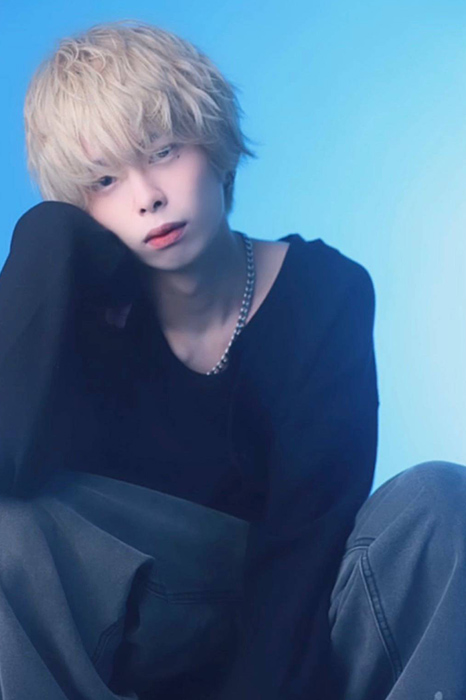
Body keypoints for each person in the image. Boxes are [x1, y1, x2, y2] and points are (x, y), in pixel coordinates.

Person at [0, 18, 465, 700]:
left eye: (163, 150)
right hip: (145, 639)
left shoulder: (324, 294)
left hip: (305, 628)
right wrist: (46, 238)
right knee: (8, 529)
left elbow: (310, 539)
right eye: (103, 180)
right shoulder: (86, 318)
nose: (147, 196)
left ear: (213, 141)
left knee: (438, 501)